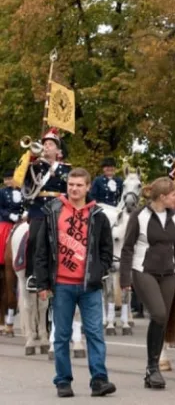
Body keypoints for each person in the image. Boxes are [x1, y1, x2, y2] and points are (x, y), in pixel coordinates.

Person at [34, 168, 116, 398]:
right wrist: (42, 283)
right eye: (71, 184)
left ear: (88, 187)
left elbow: (107, 249)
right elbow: (41, 250)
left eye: (79, 185)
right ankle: (63, 381)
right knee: (61, 336)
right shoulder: (52, 211)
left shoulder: (98, 215)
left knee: (95, 334)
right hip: (61, 285)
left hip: (90, 286)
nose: (74, 188)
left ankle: (99, 380)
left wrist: (99, 271)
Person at [120, 177, 175, 389]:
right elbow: (127, 248)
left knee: (163, 319)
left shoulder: (174, 217)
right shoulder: (139, 216)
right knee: (158, 314)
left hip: (168, 274)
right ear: (162, 197)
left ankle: (153, 369)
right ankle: (152, 367)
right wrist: (125, 278)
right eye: (173, 195)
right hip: (144, 271)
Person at [20, 128, 71, 291]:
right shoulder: (35, 165)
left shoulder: (65, 168)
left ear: (58, 150)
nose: (47, 146)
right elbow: (21, 180)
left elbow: (70, 188)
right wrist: (30, 158)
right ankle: (32, 275)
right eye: (45, 144)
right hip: (39, 209)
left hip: (59, 209)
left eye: (50, 144)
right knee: (34, 238)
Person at [0, 168, 24, 266]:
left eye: (10, 178)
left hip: (21, 220)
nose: (8, 181)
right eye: (6, 179)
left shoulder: (23, 191)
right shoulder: (2, 192)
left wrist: (24, 214)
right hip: (7, 220)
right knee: (1, 235)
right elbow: (0, 208)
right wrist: (10, 215)